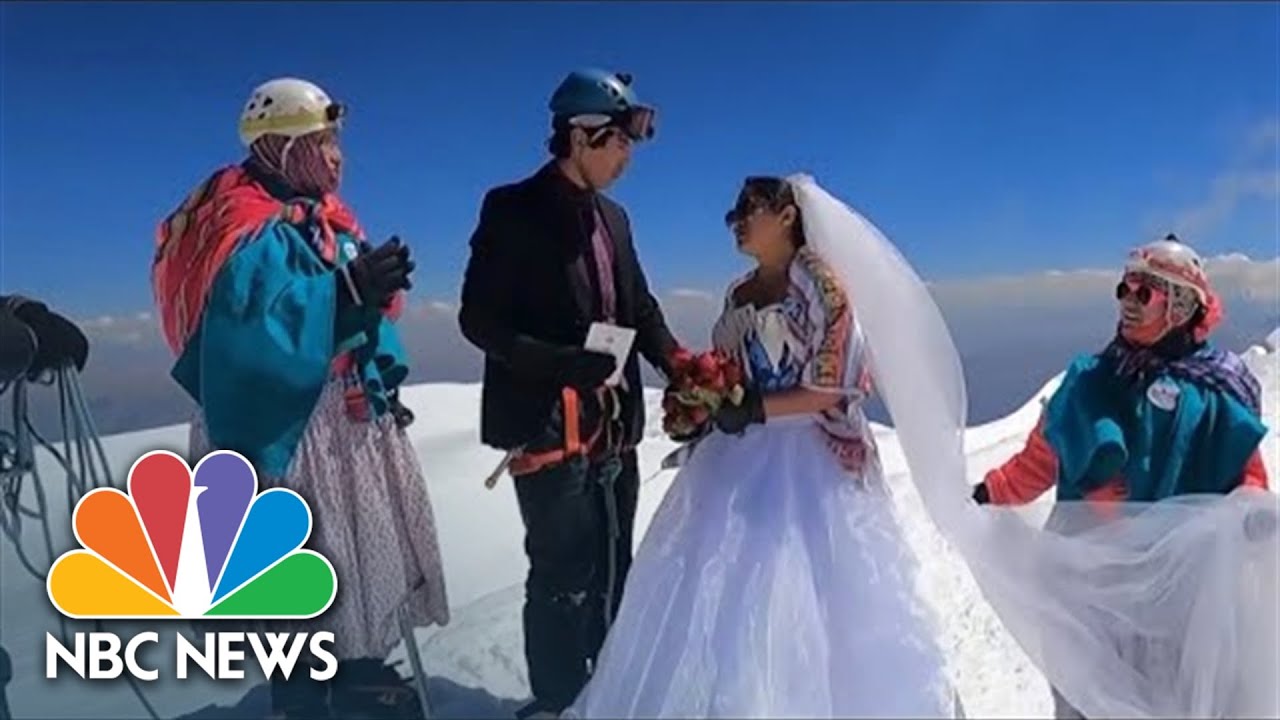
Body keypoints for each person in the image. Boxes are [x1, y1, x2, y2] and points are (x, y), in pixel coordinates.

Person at [564, 176, 958, 718]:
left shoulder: (824, 288)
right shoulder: (739, 293)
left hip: (811, 456)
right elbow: (735, 373)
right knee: (725, 596)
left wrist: (752, 410)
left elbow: (834, 386)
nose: (736, 222)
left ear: (788, 216)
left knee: (816, 601)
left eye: (748, 210)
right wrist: (706, 404)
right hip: (744, 451)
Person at [152, 77, 449, 719]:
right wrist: (344, 291)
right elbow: (248, 333)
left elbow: (335, 305)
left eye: (335, 141)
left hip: (334, 425)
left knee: (352, 581)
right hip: (282, 437)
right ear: (283, 147)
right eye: (322, 141)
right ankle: (310, 699)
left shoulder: (319, 219)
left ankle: (354, 681)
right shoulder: (242, 224)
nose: (338, 156)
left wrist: (366, 293)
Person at [970, 234, 1270, 719]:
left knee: (1173, 697)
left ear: (1180, 304)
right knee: (1093, 698)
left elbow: (1245, 472)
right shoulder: (1091, 381)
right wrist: (993, 492)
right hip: (1095, 590)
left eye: (1144, 293)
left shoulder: (1222, 388)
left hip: (1180, 595)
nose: (1128, 302)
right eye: (1124, 289)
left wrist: (1252, 512)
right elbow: (1042, 457)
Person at [457, 68, 680, 719]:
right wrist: (561, 364)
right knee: (563, 575)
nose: (627, 157)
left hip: (612, 424)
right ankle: (557, 700)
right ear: (582, 137)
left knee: (613, 564)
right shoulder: (513, 208)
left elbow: (638, 306)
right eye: (619, 142)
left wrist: (678, 364)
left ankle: (606, 695)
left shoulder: (615, 217)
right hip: (550, 426)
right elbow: (480, 319)